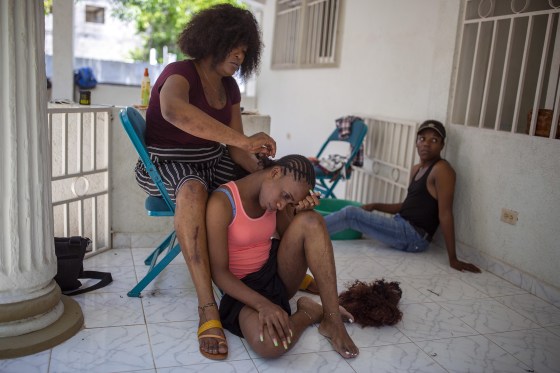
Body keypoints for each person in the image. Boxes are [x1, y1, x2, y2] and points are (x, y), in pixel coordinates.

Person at [134, 4, 276, 360]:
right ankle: (207, 307)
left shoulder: (230, 88)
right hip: (167, 163)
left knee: (271, 183)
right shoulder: (180, 73)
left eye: (245, 47)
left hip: (211, 162)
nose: (240, 53)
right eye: (233, 44)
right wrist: (242, 142)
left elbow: (237, 148)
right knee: (194, 190)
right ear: (211, 40)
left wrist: (262, 166)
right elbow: (173, 111)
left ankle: (278, 268)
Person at [206, 154, 359, 359]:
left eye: (288, 200)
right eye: (285, 195)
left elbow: (292, 241)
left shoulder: (273, 199)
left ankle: (332, 319)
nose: (281, 204)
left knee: (311, 220)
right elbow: (219, 273)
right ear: (275, 172)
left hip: (275, 275)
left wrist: (298, 211)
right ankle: (309, 312)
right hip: (241, 290)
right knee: (270, 345)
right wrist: (263, 304)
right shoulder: (222, 202)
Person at [323, 120, 481, 273]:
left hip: (414, 237)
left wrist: (453, 258)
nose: (426, 143)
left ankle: (308, 231)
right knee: (354, 214)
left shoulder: (442, 170)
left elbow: (445, 214)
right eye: (422, 139)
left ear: (442, 145)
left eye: (434, 140)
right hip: (401, 225)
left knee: (351, 214)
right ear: (417, 143)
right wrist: (375, 205)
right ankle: (310, 230)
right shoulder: (416, 169)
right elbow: (407, 206)